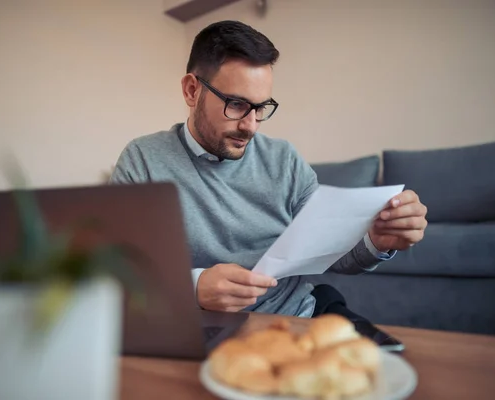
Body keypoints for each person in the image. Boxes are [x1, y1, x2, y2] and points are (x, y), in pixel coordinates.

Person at [109, 21, 427, 326]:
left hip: (296, 317)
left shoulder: (284, 160)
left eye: (261, 108)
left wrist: (377, 241)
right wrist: (193, 286)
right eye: (236, 104)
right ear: (192, 91)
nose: (250, 126)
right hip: (194, 326)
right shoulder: (143, 160)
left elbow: (332, 254)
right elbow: (115, 269)